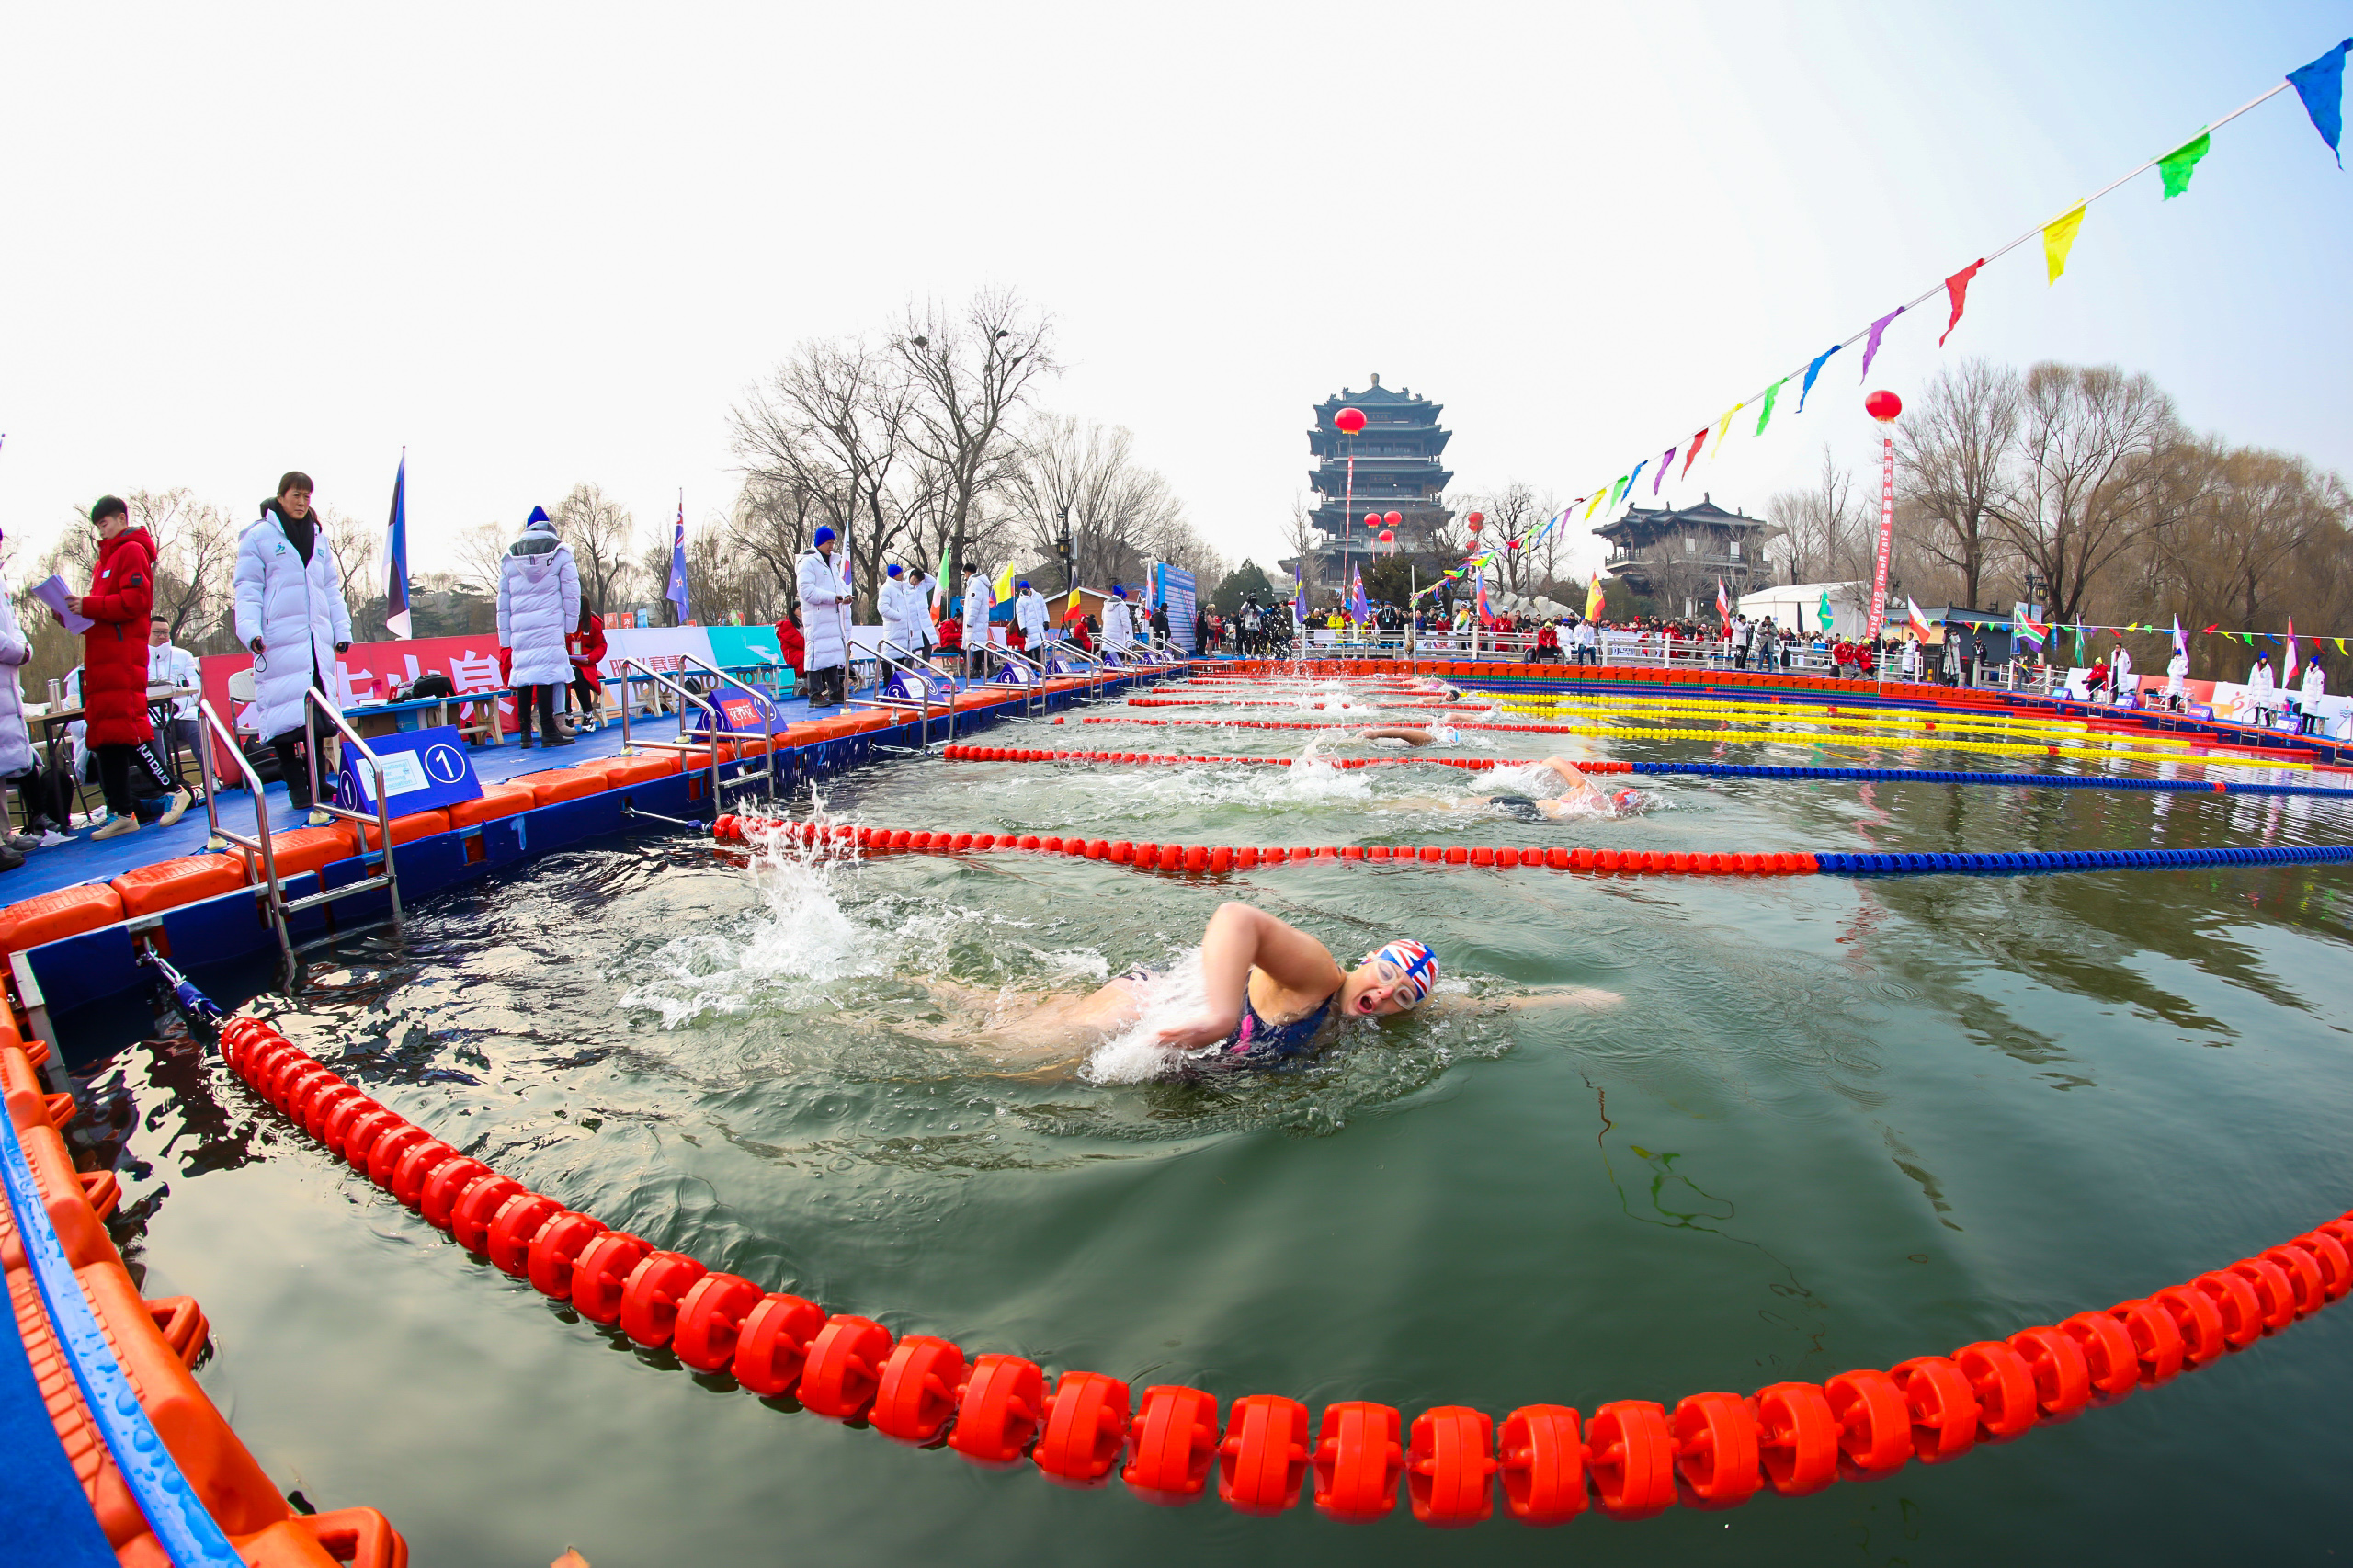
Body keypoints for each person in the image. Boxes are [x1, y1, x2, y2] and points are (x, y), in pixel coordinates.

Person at [233, 473, 351, 823]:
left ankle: (315, 783)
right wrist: (251, 631)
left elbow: (331, 588)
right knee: (282, 714)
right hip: (278, 637)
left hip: (314, 638)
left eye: (307, 497)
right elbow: (248, 588)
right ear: (281, 497)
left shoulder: (319, 538)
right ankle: (297, 787)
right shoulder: (259, 537)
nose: (302, 502)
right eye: (296, 495)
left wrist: (340, 630)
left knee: (314, 714)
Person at [74, 496, 190, 839]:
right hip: (101, 657)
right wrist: (74, 611)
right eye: (98, 527)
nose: (102, 531)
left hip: (122, 656)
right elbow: (104, 609)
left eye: (105, 523)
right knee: (104, 734)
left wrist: (88, 605)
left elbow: (136, 602)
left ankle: (175, 789)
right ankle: (121, 811)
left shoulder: (132, 551)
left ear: (122, 519)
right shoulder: (103, 563)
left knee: (126, 728)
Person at [496, 506, 580, 749]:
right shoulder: (561, 554)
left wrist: (505, 636)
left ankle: (525, 734)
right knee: (546, 676)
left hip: (521, 626)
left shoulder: (510, 558)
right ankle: (548, 731)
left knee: (524, 677)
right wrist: (570, 625)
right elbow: (572, 593)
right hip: (549, 623)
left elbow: (503, 602)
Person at [796, 526, 850, 708]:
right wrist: (832, 598)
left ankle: (835, 691)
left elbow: (839, 587)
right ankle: (815, 693)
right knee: (816, 655)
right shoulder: (808, 563)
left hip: (833, 618)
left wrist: (845, 597)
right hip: (818, 618)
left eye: (833, 543)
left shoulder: (833, 564)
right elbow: (806, 591)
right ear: (819, 542)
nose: (831, 546)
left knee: (833, 654)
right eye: (828, 543)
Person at [146, 616, 203, 786]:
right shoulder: (136, 657)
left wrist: (174, 707)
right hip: (152, 717)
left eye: (165, 632)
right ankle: (168, 785)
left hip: (182, 713)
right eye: (157, 632)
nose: (162, 636)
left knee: (197, 729)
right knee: (154, 734)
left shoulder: (184, 656)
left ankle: (210, 776)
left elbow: (195, 688)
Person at [564, 602, 608, 731]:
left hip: (585, 665)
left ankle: (588, 715)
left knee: (580, 676)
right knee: (564, 677)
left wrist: (590, 658)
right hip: (565, 663)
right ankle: (567, 716)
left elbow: (601, 646)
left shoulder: (593, 623)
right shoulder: (562, 622)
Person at [878, 563, 925, 662]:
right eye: (900, 573)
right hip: (893, 629)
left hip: (903, 631)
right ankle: (888, 676)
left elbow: (906, 611)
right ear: (894, 574)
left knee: (900, 657)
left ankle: (898, 676)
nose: (902, 575)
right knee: (890, 655)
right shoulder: (886, 588)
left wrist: (910, 626)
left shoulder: (901, 588)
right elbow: (883, 608)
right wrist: (899, 616)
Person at [961, 565, 995, 681]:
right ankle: (976, 669)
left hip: (975, 620)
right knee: (977, 645)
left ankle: (990, 666)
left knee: (977, 645)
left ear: (967, 572)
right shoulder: (981, 584)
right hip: (980, 619)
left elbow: (975, 604)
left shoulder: (975, 583)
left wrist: (970, 621)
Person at [1016, 580, 1050, 664]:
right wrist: (1022, 627)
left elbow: (1044, 609)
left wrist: (1046, 621)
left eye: (1024, 588)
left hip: (1039, 625)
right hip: (1030, 626)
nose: (1022, 590)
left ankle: (1039, 662)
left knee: (1041, 645)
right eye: (1021, 589)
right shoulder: (1020, 601)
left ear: (1028, 588)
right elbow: (1020, 616)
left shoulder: (1038, 596)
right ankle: (1036, 663)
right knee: (1033, 646)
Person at [774, 609, 806, 687]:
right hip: (793, 655)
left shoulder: (803, 623)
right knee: (812, 657)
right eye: (799, 609)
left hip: (801, 652)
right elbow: (800, 642)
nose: (802, 610)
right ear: (793, 611)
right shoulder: (787, 625)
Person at [2245, 653, 2277, 726]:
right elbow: (2252, 678)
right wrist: (2250, 689)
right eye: (2263, 659)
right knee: (2257, 707)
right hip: (2257, 690)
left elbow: (2270, 680)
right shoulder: (2255, 667)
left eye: (2265, 659)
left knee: (2265, 707)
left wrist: (2270, 691)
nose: (2264, 660)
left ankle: (2268, 723)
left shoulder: (2268, 668)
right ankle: (2256, 721)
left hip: (2264, 690)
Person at [1101, 585, 1135, 653]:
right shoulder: (1121, 605)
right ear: (1120, 595)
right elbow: (1125, 620)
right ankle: (1120, 661)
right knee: (1118, 647)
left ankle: (1101, 661)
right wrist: (1127, 630)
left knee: (1106, 645)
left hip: (1107, 631)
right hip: (1118, 631)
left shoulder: (1106, 604)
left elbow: (1103, 617)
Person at [2299, 656, 2326, 734]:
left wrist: (2318, 698)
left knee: (2312, 714)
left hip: (2313, 696)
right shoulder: (2307, 671)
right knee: (2305, 713)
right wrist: (2302, 695)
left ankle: (2310, 730)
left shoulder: (2319, 674)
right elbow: (2304, 685)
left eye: (2311, 662)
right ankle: (2304, 728)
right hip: (2307, 695)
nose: (2309, 664)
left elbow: (2320, 687)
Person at [2165, 644, 2189, 712]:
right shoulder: (2173, 661)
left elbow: (2185, 671)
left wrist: (2178, 673)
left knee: (2177, 695)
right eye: (2176, 654)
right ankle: (2171, 707)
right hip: (2172, 680)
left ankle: (2175, 708)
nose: (2177, 656)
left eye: (2178, 654)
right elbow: (2169, 669)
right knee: (2172, 694)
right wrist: (2171, 672)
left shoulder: (2183, 662)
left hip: (2178, 681)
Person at [2109, 640, 2134, 706]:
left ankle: (2119, 700)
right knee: (2114, 686)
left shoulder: (2124, 655)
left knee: (2121, 688)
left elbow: (2128, 665)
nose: (2116, 649)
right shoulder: (2113, 654)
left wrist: (2124, 671)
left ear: (2120, 648)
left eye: (2117, 647)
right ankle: (2113, 699)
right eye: (2116, 647)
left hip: (2121, 673)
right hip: (2115, 671)